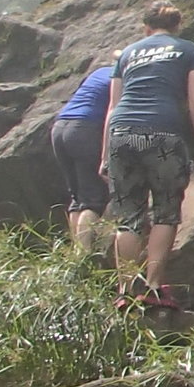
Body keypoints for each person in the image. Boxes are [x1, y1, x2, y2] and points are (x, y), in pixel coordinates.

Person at [99, 0, 194, 311]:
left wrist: (103, 156)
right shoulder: (188, 50)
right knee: (166, 210)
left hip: (122, 133)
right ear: (176, 26)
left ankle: (125, 290)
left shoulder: (127, 53)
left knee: (128, 218)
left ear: (146, 28)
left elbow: (112, 107)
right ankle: (153, 287)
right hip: (163, 132)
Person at [50, 61, 114, 248]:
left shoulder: (100, 72)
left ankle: (75, 255)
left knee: (77, 197)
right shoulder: (124, 76)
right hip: (85, 129)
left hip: (59, 126)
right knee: (92, 200)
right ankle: (84, 257)